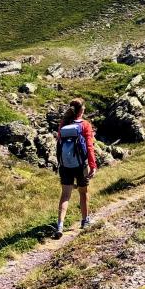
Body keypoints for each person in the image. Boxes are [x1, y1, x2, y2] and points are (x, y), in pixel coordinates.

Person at [54, 98, 98, 239]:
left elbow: (59, 144)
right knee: (83, 193)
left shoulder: (63, 124)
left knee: (65, 195)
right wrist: (93, 165)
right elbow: (90, 147)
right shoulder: (85, 125)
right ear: (82, 110)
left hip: (65, 165)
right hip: (80, 165)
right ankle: (85, 221)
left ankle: (60, 225)